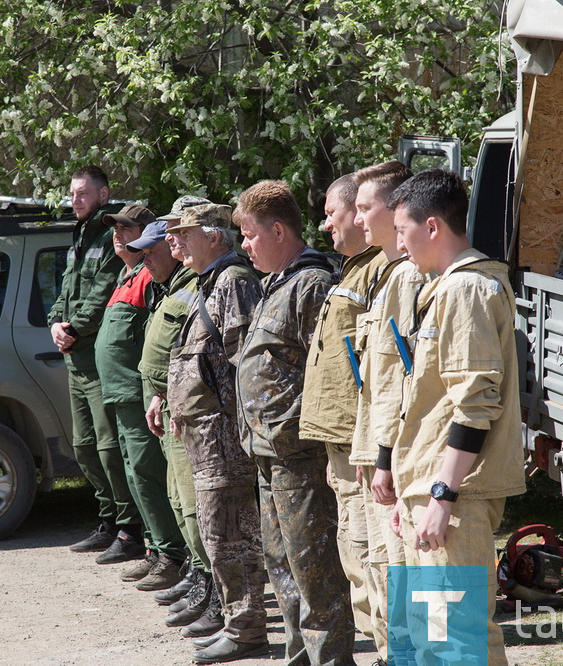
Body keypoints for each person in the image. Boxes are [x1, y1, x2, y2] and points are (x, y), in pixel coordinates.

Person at [387, 169, 525, 664]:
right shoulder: (447, 286)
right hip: (433, 489)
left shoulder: (465, 290)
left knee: (454, 642)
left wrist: (442, 495)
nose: (399, 246)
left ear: (431, 227)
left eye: (402, 232)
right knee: (436, 636)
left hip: (454, 497)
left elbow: (474, 403)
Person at [235, 180, 354, 665]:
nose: (244, 246)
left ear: (278, 230)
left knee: (315, 575)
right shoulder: (275, 284)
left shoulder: (311, 284)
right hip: (269, 454)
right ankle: (300, 658)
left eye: (249, 235)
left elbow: (329, 373)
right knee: (282, 571)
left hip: (300, 458)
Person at [166, 204, 268, 664]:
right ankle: (238, 624)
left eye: (185, 233)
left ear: (214, 236)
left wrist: (236, 427)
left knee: (229, 537)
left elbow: (245, 364)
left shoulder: (234, 282)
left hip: (225, 441)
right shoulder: (210, 282)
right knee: (218, 535)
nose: (176, 241)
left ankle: (246, 629)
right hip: (206, 439)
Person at [299, 174, 386, 653]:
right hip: (350, 443)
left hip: (374, 446)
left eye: (334, 212)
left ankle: (394, 653)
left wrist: (370, 443)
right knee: (359, 559)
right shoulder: (354, 268)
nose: (326, 222)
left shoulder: (387, 273)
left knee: (379, 562)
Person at [349, 160, 424, 666]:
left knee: (401, 571)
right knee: (381, 567)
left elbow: (402, 381)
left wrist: (383, 456)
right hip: (378, 448)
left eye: (364, 208)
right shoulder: (385, 274)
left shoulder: (404, 278)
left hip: (397, 456)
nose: (357, 221)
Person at [48, 166, 141, 558]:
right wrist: (55, 321)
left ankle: (129, 528)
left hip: (96, 358)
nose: (76, 201)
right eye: (73, 194)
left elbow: (104, 290)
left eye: (84, 194)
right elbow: (66, 288)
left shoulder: (109, 236)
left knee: (109, 447)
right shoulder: (79, 235)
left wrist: (73, 329)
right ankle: (106, 520)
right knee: (83, 446)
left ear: (103, 195)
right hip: (75, 361)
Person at [93, 204, 185, 579]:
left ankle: (171, 553)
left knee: (148, 473)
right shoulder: (126, 275)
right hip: (120, 393)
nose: (118, 234)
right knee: (135, 475)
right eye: (115, 228)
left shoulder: (149, 276)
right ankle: (155, 546)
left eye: (127, 228)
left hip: (137, 391)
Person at [130, 196, 215, 597]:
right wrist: (160, 395)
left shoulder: (212, 283)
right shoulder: (177, 286)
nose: (172, 239)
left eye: (179, 232)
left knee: (201, 511)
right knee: (181, 503)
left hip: (198, 415)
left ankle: (217, 591)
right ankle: (201, 579)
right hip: (172, 405)